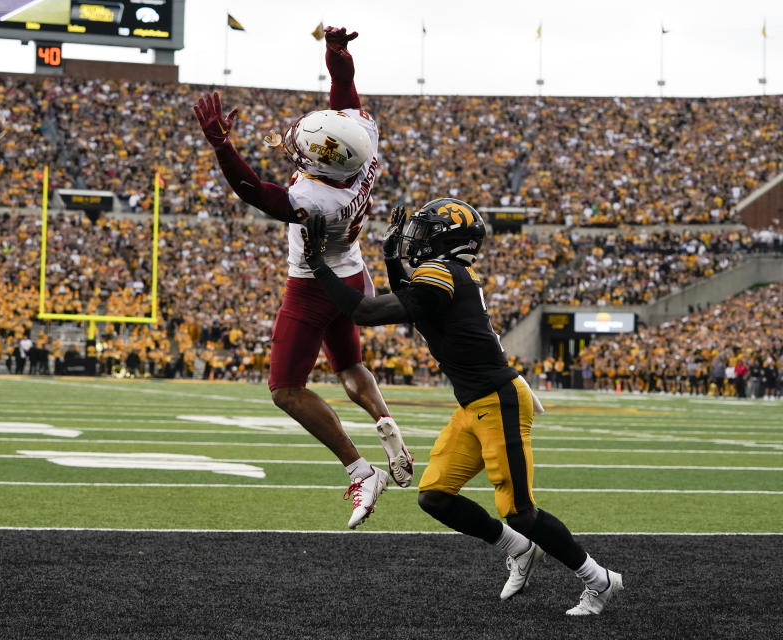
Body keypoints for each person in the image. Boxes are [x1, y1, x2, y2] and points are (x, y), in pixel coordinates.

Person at [300, 198, 624, 615]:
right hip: (474, 404)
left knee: (520, 511)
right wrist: (391, 257)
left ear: (446, 239)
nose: (418, 238)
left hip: (498, 401)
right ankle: (519, 550)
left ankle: (599, 580)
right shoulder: (448, 276)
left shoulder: (442, 274)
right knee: (435, 496)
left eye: (425, 231)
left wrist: (317, 265)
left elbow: (365, 311)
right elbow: (412, 302)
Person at [193, 25, 412, 528]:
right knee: (350, 366)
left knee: (286, 388)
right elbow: (345, 95)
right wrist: (337, 55)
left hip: (313, 285)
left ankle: (361, 469)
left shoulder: (317, 199)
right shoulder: (363, 145)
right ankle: (385, 422)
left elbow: (256, 192)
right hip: (353, 276)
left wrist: (223, 147)